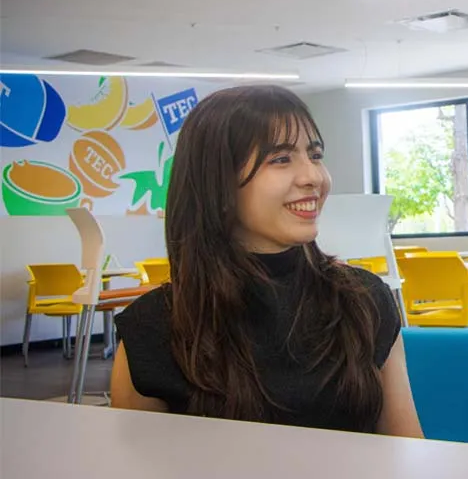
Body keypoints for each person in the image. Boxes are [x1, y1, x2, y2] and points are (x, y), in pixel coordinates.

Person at [111, 85, 423, 438]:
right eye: (280, 159)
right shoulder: (154, 329)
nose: (314, 177)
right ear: (219, 184)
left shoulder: (365, 300)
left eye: (315, 155)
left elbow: (406, 447)